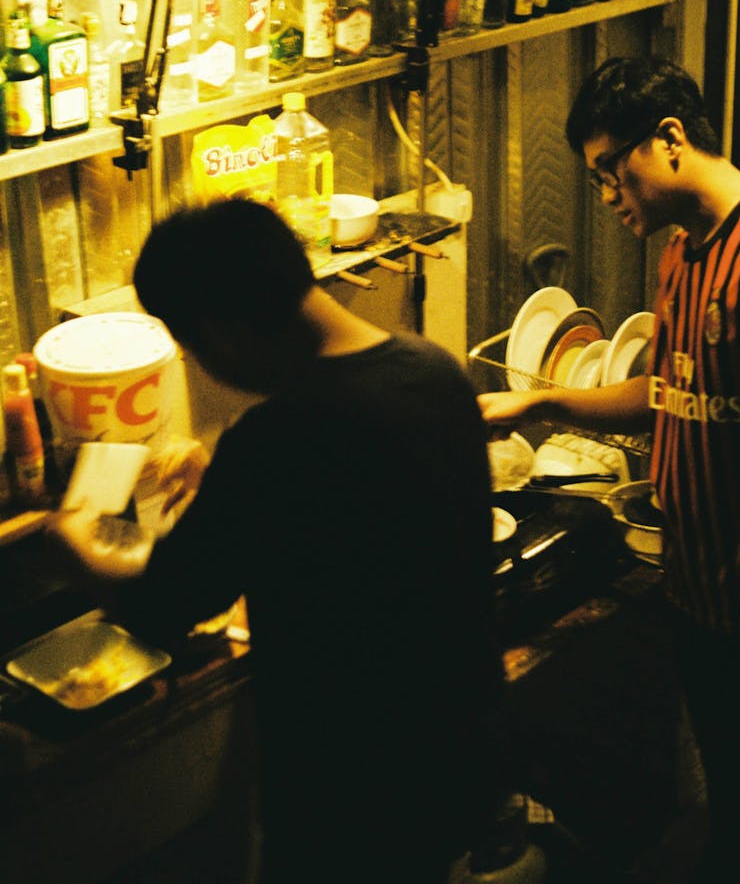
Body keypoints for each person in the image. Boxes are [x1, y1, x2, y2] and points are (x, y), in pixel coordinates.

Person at [50, 197, 504, 884]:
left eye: (193, 347)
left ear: (223, 330)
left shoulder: (275, 442)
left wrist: (76, 538)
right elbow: (347, 526)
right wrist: (225, 481)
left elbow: (166, 600)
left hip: (348, 792)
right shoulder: (433, 372)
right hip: (455, 751)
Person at [479, 56, 740, 883]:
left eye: (609, 172)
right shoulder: (681, 257)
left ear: (668, 140)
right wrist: (540, 405)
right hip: (695, 588)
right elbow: (667, 392)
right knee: (734, 806)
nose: (605, 197)